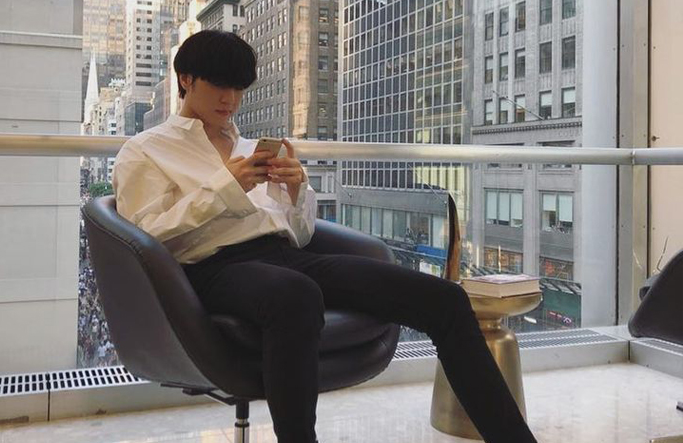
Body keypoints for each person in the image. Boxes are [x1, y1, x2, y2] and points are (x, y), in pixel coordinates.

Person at [112, 30, 538, 443]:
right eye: (220, 86)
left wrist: (297, 190)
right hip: (209, 268)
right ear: (186, 79)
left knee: (446, 299)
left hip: (284, 256)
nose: (232, 100)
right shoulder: (146, 149)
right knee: (295, 294)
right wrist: (226, 186)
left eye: (239, 88)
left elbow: (299, 235)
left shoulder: (247, 148)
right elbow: (148, 237)